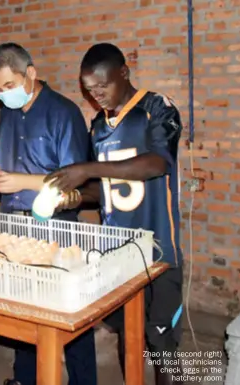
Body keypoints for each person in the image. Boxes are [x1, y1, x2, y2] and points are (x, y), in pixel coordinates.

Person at [45, 42, 184, 385]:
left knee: (162, 340)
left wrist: (85, 168)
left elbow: (155, 165)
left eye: (102, 86)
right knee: (129, 333)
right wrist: (75, 197)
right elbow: (105, 189)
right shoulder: (99, 126)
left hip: (159, 249)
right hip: (119, 252)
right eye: (89, 90)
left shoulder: (157, 108)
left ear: (124, 73)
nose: (97, 96)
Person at [0, 42, 97, 385]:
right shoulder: (9, 112)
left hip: (56, 225)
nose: (3, 96)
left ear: (31, 73)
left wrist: (20, 182)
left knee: (69, 311)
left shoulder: (64, 113)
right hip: (17, 224)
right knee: (25, 311)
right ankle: (25, 379)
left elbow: (74, 179)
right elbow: (7, 164)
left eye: (9, 86)